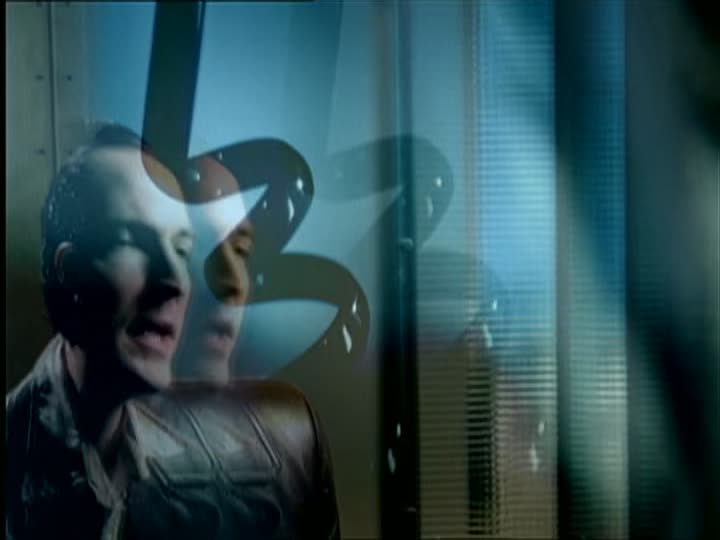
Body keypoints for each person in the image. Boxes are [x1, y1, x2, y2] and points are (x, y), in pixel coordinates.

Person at [6, 126, 341, 539]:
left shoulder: (277, 448)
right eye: (135, 240)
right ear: (70, 269)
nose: (175, 281)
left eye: (181, 248)